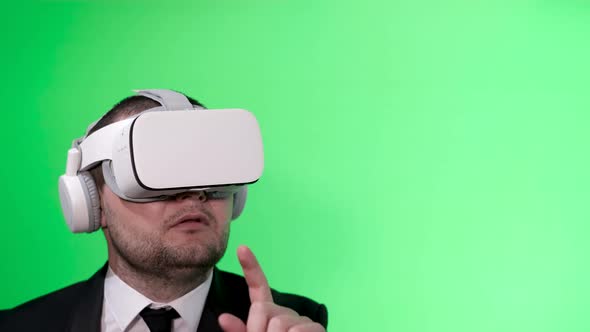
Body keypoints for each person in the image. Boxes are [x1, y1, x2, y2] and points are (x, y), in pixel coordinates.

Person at [0, 90, 328, 332]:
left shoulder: (294, 320)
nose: (194, 194)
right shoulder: (20, 327)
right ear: (92, 203)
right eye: (157, 174)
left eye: (212, 171)